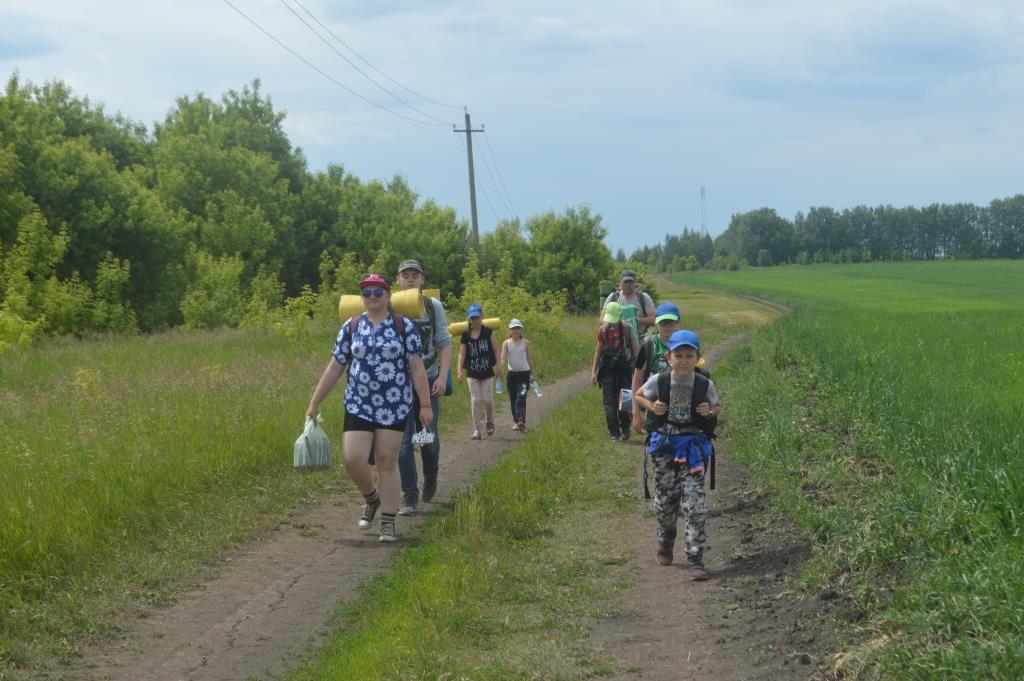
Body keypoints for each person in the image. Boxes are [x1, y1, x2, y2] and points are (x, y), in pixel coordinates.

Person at [305, 273, 433, 543]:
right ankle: (371, 499)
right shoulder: (351, 327)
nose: (372, 298)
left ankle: (388, 521)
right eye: (367, 293)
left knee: (387, 461)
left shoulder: (404, 326)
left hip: (394, 405)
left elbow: (416, 367)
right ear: (361, 297)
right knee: (353, 459)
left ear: (388, 296)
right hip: (358, 403)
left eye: (377, 293)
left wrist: (424, 404)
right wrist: (315, 402)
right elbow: (334, 367)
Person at [632, 329, 722, 580]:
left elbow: (717, 406)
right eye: (678, 355)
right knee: (665, 503)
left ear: (697, 358)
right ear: (669, 357)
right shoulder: (659, 381)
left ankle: (696, 558)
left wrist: (709, 411)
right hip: (664, 449)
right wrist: (651, 405)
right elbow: (638, 396)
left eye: (689, 355)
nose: (683, 360)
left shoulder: (705, 384)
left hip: (693, 448)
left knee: (695, 504)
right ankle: (666, 540)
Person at [394, 259, 452, 516]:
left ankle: (430, 475)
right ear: (397, 280)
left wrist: (442, 376)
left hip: (428, 380)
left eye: (414, 275)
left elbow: (444, 342)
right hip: (398, 385)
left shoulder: (433, 306)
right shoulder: (391, 306)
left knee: (428, 440)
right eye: (405, 275)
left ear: (421, 279)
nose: (410, 279)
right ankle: (409, 494)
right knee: (403, 442)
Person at [591, 301, 640, 442]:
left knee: (624, 400)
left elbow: (636, 350)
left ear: (620, 315)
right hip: (607, 371)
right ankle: (615, 433)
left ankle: (625, 429)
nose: (611, 323)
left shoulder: (627, 328)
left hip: (624, 370)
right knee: (609, 402)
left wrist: (638, 371)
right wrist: (593, 372)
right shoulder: (602, 330)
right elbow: (598, 351)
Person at [631, 302, 681, 434]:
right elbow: (637, 379)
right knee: (656, 445)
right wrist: (636, 413)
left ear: (678, 323)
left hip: (682, 405)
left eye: (671, 323)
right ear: (656, 323)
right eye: (663, 323)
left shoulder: (684, 344)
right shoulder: (648, 345)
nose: (667, 327)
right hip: (654, 405)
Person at [457, 303, 499, 439]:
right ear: (468, 319)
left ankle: (489, 421)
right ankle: (477, 430)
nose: (474, 320)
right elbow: (462, 354)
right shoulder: (465, 335)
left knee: (487, 400)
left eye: (477, 317)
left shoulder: (488, 332)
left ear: (482, 317)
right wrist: (459, 369)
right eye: (472, 318)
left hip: (487, 372)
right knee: (475, 401)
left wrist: (500, 367)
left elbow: (496, 350)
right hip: (472, 373)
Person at [499, 318, 534, 432]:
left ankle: (520, 420)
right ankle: (516, 421)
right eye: (513, 328)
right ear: (509, 330)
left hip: (524, 375)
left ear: (521, 330)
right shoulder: (506, 343)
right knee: (513, 398)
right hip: (511, 376)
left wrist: (532, 374)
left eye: (518, 328)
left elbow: (529, 359)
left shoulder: (525, 343)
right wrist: (500, 372)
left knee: (521, 397)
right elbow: (503, 358)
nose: (515, 330)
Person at [600, 269, 656, 338]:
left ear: (635, 282)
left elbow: (654, 319)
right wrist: (617, 325)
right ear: (620, 282)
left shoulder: (644, 297)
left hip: (640, 336)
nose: (628, 284)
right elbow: (601, 319)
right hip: (617, 337)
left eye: (630, 282)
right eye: (625, 282)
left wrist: (636, 320)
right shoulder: (613, 297)